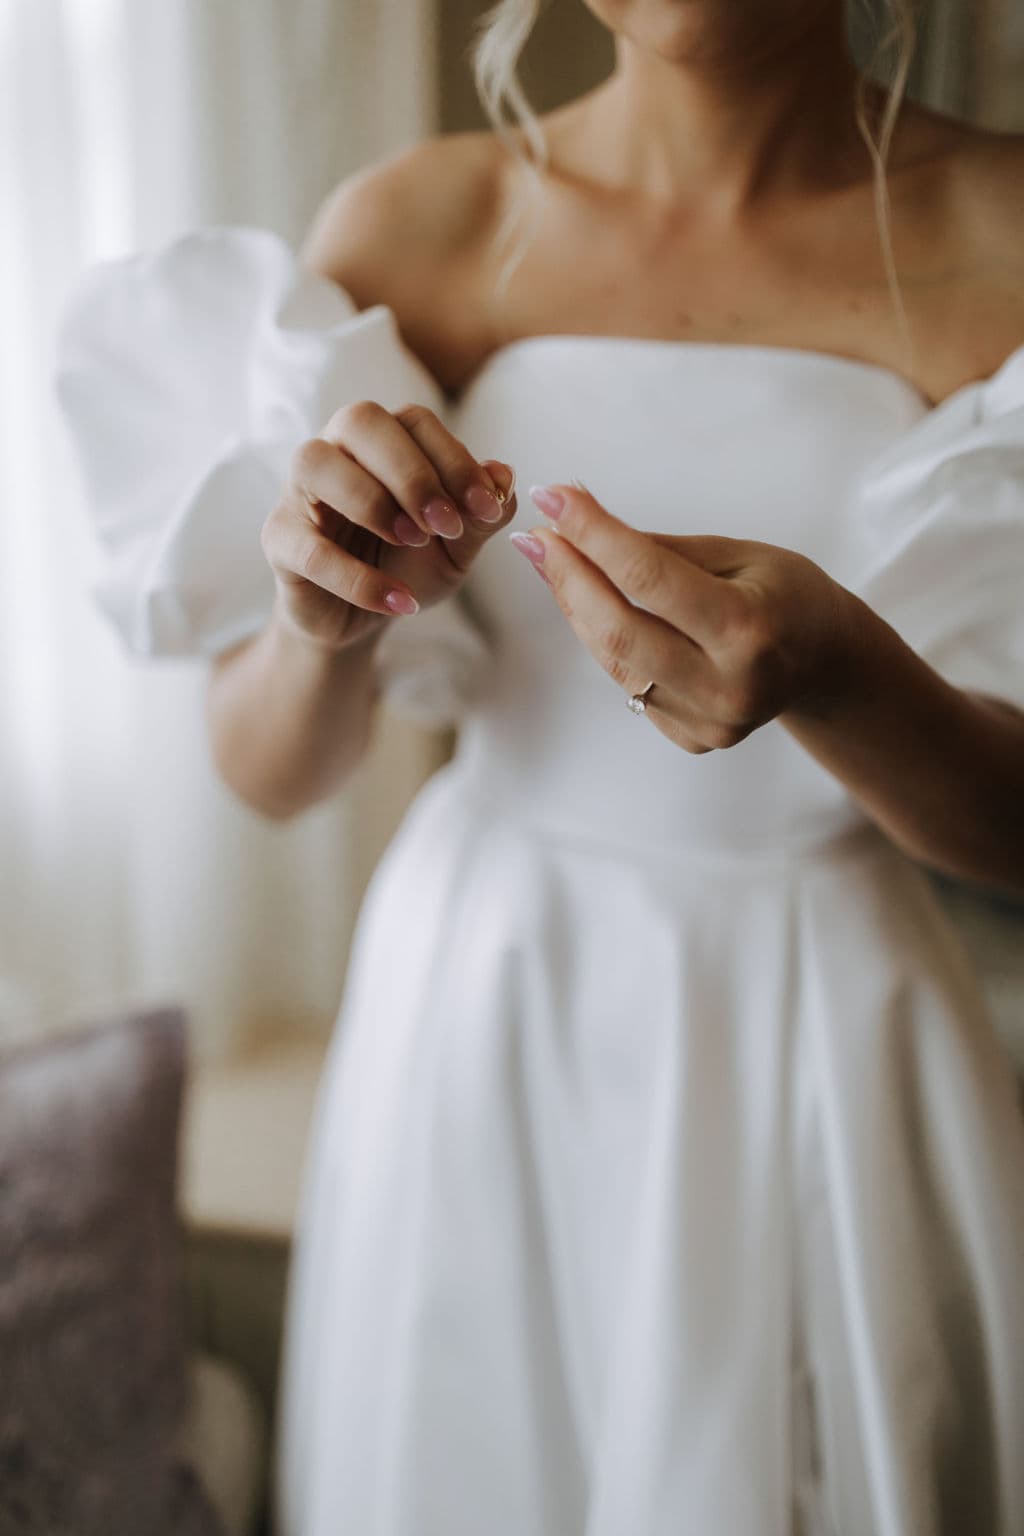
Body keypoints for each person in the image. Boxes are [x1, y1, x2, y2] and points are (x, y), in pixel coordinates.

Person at [52, 0, 1024, 1531]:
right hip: (487, 996)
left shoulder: (1008, 232)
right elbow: (263, 771)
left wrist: (844, 674)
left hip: (820, 1022)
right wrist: (328, 617)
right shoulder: (424, 221)